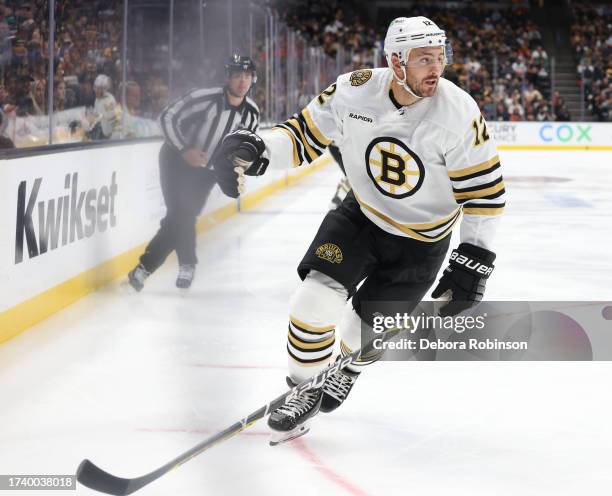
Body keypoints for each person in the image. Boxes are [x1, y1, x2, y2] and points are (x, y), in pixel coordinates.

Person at [217, 16, 506, 444]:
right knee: (312, 302)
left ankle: (348, 367)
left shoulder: (458, 111)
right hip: (361, 216)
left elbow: (484, 195)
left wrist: (474, 261)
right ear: (395, 61)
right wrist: (256, 147)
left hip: (422, 242)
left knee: (360, 335)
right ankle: (303, 391)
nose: (436, 67)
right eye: (424, 58)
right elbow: (302, 136)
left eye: (440, 57)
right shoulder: (354, 89)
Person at [127, 55, 261, 291]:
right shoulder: (205, 98)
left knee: (179, 216)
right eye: (238, 75)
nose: (242, 81)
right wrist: (184, 149)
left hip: (206, 172)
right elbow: (167, 116)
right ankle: (186, 263)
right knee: (182, 213)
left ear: (253, 79)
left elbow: (246, 146)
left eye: (247, 76)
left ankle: (142, 270)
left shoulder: (251, 114)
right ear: (228, 77)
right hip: (175, 160)